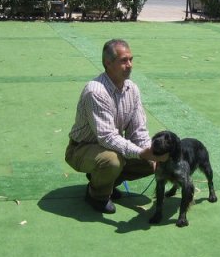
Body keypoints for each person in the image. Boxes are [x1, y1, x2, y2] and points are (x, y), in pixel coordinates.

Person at [65, 39, 168, 214]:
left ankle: (103, 181)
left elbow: (139, 131)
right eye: (123, 60)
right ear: (108, 63)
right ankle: (96, 195)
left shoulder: (132, 89)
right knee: (112, 161)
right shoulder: (96, 91)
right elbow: (107, 137)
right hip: (81, 149)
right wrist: (140, 153)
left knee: (151, 162)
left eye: (131, 59)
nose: (129, 65)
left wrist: (151, 154)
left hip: (108, 147)